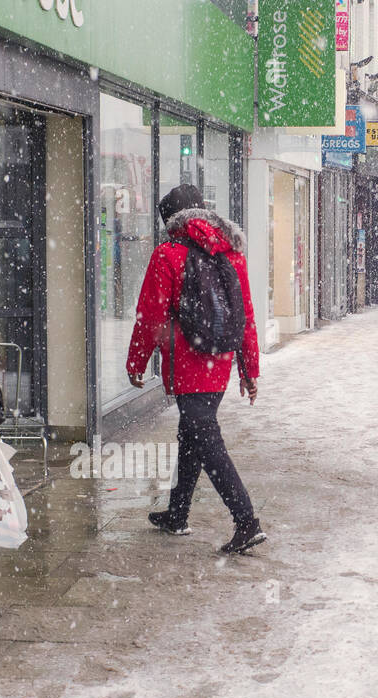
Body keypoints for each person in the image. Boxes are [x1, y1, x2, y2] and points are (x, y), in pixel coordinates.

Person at [125, 183, 265, 555]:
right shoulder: (231, 253)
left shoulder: (168, 254)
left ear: (170, 221)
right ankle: (177, 513)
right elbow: (246, 317)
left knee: (205, 439)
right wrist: (248, 370)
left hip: (187, 365)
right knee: (192, 434)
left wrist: (136, 362)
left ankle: (247, 521)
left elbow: (150, 317)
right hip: (217, 364)